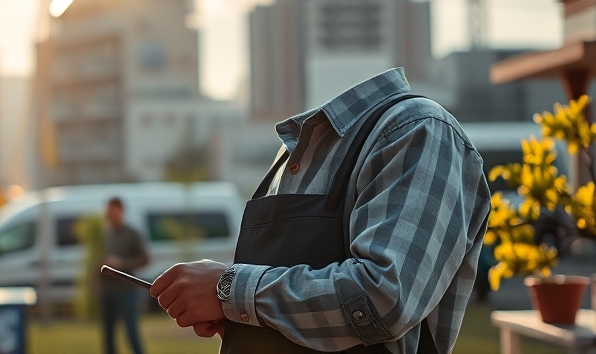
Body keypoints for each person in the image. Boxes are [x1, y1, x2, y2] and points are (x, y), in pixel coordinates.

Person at [150, 68, 490, 353]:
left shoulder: (417, 129)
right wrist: (243, 316)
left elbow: (384, 298)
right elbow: (279, 300)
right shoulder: (291, 155)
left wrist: (227, 289)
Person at [101, 196, 149, 354]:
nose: (109, 215)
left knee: (131, 333)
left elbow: (145, 259)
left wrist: (121, 263)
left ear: (121, 211)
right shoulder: (105, 235)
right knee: (107, 336)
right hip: (107, 291)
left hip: (126, 290)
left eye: (112, 211)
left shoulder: (131, 234)